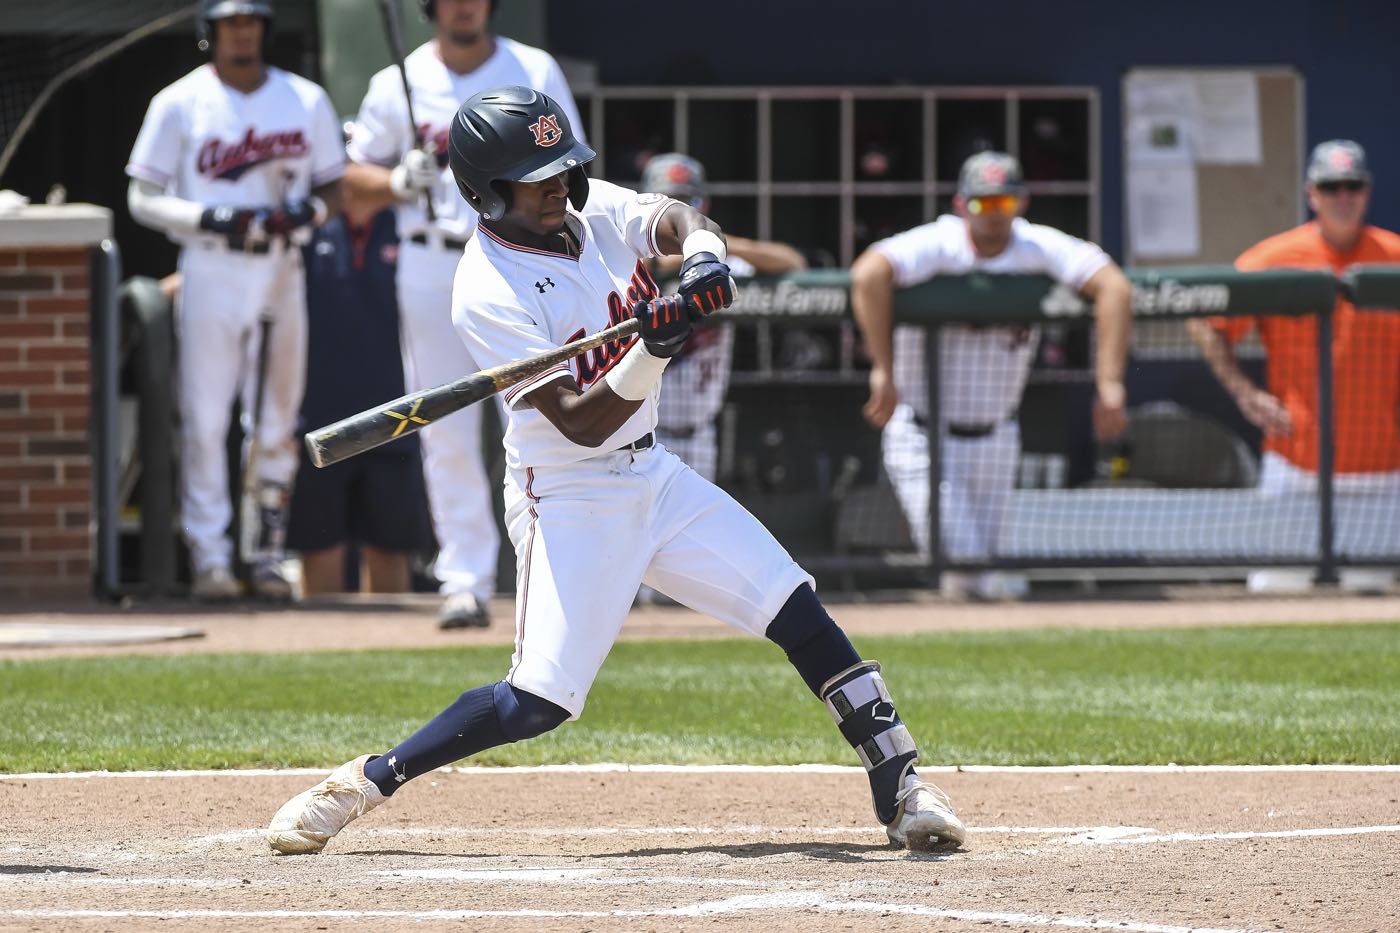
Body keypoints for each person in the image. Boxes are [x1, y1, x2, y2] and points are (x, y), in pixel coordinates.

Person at [266, 86, 965, 856]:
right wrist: (654, 346)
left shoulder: (585, 206)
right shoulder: (485, 288)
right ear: (485, 192)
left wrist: (702, 258)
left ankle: (901, 783)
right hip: (568, 493)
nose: (557, 183)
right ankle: (364, 780)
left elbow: (671, 218)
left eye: (561, 165)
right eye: (536, 175)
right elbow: (580, 420)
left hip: (654, 474)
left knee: (793, 602)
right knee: (538, 702)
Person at [344, 0, 585, 628]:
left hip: (522, 257)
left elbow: (572, 161)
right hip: (432, 258)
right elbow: (348, 178)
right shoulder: (396, 80)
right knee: (444, 426)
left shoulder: (532, 68)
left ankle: (561, 568)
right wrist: (397, 181)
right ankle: (466, 579)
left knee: (539, 411)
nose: (464, 5)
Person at [125, 0, 344, 600]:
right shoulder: (178, 101)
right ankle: (212, 559)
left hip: (281, 266)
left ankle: (265, 555)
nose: (242, 32)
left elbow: (332, 183)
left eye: (250, 21)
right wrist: (205, 215)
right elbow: (141, 196)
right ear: (211, 31)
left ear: (265, 28)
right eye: (230, 23)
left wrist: (312, 210)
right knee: (204, 419)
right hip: (211, 266)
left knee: (276, 421)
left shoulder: (303, 98)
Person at [851, 151, 1132, 601]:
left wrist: (1109, 383)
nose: (995, 214)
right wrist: (882, 368)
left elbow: (1114, 287)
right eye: (984, 204)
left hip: (998, 436)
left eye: (1004, 203)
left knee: (981, 569)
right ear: (962, 205)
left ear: (1021, 203)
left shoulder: (1036, 246)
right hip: (923, 434)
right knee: (965, 570)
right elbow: (868, 273)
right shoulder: (940, 242)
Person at [1188, 139, 1400, 594]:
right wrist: (1246, 394)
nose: (1343, 197)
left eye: (1353, 186)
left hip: (1381, 469)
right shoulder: (1274, 258)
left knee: (1367, 601)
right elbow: (1205, 321)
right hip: (1296, 462)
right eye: (1332, 187)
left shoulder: (1394, 255)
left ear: (1367, 191)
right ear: (1312, 193)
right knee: (1277, 591)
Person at [285, 164, 434, 596]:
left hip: (397, 416)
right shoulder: (309, 228)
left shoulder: (412, 227)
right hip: (316, 414)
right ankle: (321, 654)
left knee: (390, 549)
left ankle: (390, 650)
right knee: (321, 548)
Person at [639, 152, 808, 480]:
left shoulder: (718, 260)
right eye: (672, 202)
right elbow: (648, 264)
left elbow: (793, 262)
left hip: (701, 435)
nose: (683, 212)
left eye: (690, 201)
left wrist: (720, 245)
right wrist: (681, 257)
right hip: (644, 435)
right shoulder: (633, 260)